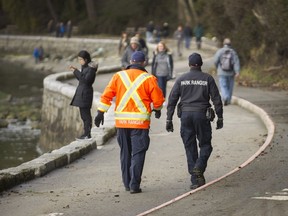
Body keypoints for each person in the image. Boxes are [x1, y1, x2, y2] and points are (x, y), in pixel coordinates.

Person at [94, 51, 165, 194]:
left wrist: (100, 112)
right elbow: (158, 100)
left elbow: (107, 95)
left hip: (122, 123)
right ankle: (134, 185)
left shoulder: (118, 76)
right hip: (140, 124)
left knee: (125, 153)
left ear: (130, 61)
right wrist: (157, 110)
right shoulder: (149, 78)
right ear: (144, 62)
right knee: (138, 152)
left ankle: (126, 183)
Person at [166, 53, 223, 190]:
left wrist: (169, 118)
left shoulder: (182, 79)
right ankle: (198, 168)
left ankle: (195, 179)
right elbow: (216, 99)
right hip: (202, 115)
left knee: (189, 147)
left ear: (189, 64)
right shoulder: (207, 78)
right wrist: (220, 117)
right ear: (201, 64)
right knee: (205, 145)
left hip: (185, 116)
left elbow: (172, 100)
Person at [70, 50, 98, 140]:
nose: (79, 61)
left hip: (86, 93)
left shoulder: (91, 70)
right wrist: (75, 71)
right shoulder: (85, 68)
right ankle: (86, 133)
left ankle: (87, 134)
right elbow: (81, 78)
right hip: (82, 93)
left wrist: (76, 71)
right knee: (83, 115)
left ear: (85, 59)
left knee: (86, 115)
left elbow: (85, 80)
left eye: (80, 59)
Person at [214, 38, 240, 106]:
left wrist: (218, 68)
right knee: (230, 87)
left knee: (223, 86)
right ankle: (228, 100)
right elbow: (236, 62)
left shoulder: (220, 51)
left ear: (223, 44)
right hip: (231, 73)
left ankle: (225, 97)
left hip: (221, 72)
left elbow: (215, 61)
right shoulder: (233, 52)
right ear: (230, 44)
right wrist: (237, 71)